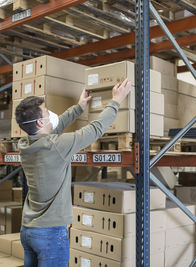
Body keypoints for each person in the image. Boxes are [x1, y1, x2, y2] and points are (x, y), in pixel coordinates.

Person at [14, 79, 132, 267]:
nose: (50, 114)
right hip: (50, 234)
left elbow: (55, 127)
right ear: (39, 121)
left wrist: (79, 108)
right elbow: (95, 129)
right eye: (46, 111)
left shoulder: (25, 144)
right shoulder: (57, 146)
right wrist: (116, 101)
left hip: (28, 230)